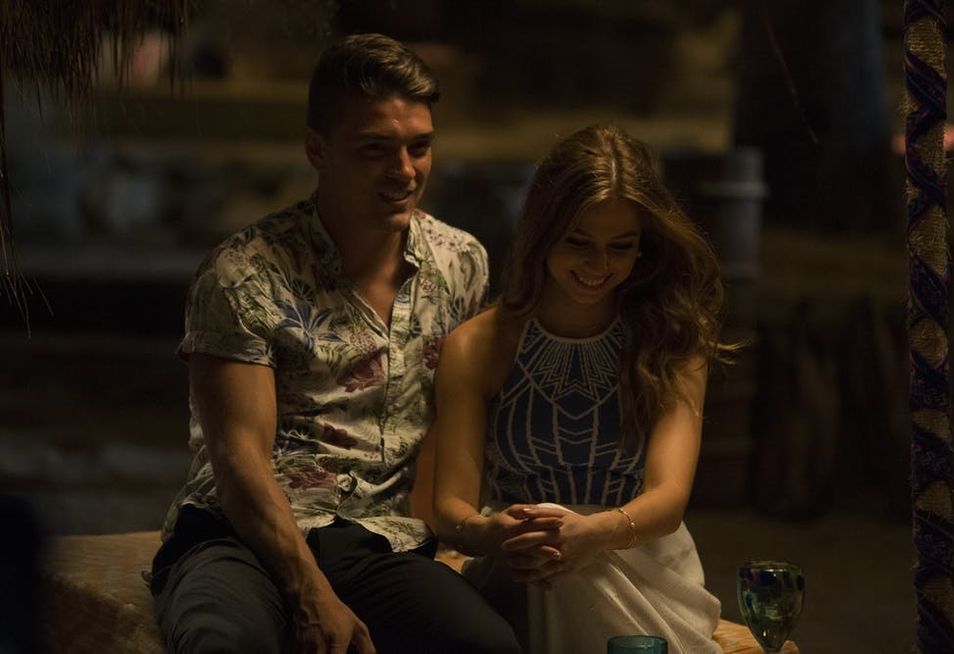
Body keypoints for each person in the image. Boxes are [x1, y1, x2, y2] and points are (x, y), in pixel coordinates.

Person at [149, 33, 521, 654]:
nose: (404, 171)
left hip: (375, 539)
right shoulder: (245, 273)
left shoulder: (460, 263)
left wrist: (466, 534)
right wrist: (311, 593)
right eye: (376, 149)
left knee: (485, 645)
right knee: (224, 642)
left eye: (420, 147)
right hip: (239, 533)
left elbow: (455, 425)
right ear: (317, 150)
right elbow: (240, 463)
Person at [432, 123, 729, 653]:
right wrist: (491, 534)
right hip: (520, 566)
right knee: (550, 569)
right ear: (543, 232)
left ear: (643, 248)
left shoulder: (672, 341)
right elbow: (451, 505)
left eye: (621, 247)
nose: (598, 266)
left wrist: (593, 534)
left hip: (644, 569)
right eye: (579, 242)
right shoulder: (478, 346)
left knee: (571, 573)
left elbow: (669, 499)